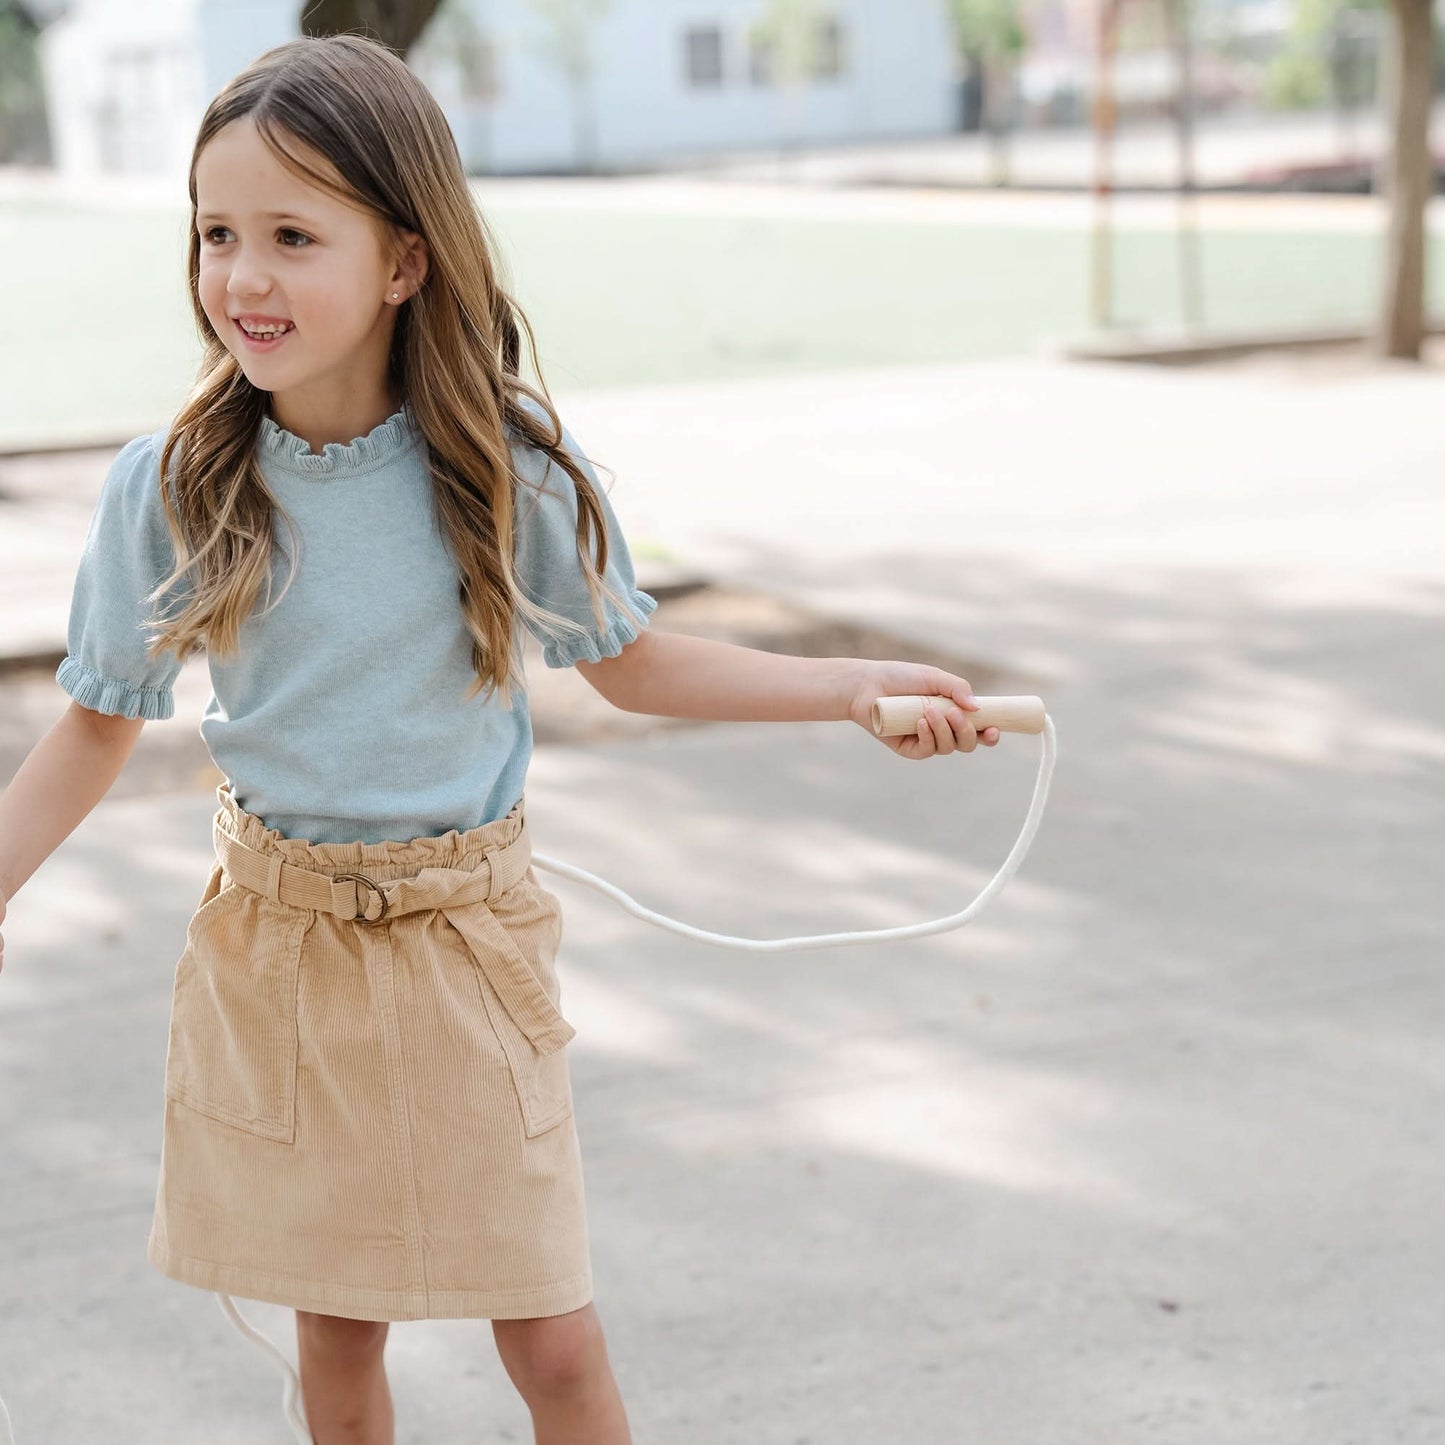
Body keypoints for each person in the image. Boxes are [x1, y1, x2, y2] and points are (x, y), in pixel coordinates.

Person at [0, 32, 997, 1445]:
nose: (244, 276)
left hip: (464, 951)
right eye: (218, 233)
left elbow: (635, 664)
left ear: (405, 260)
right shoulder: (167, 485)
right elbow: (93, 729)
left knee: (554, 1344)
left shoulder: (505, 469)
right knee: (336, 1338)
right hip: (274, 957)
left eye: (294, 234)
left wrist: (849, 685)